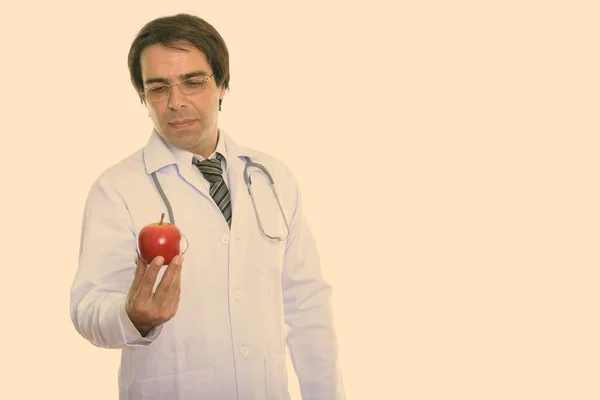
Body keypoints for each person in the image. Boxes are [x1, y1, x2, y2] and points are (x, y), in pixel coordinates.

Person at [69, 12, 345, 400]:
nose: (176, 102)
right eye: (159, 87)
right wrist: (132, 318)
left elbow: (307, 305)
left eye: (193, 82)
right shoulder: (116, 188)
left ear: (222, 85)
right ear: (143, 97)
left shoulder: (273, 177)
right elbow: (87, 307)